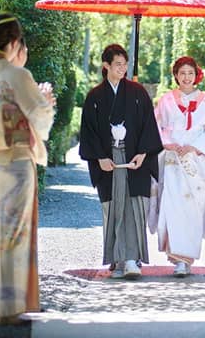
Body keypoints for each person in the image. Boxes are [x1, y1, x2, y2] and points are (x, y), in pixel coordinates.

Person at [0, 14, 55, 325]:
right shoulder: (14, 74)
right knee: (13, 237)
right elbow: (40, 118)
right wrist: (46, 101)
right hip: (14, 164)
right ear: (12, 43)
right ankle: (9, 312)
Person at [79, 44, 163, 279]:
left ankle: (132, 259)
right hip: (108, 161)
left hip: (134, 159)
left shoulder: (138, 92)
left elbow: (148, 125)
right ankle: (117, 258)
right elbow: (89, 132)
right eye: (118, 65)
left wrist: (144, 153)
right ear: (106, 66)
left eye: (125, 65)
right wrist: (99, 158)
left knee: (134, 208)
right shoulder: (95, 96)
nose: (123, 69)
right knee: (114, 208)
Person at [154, 56, 205, 276]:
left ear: (196, 75)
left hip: (195, 163)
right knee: (174, 207)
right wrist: (166, 143)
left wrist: (193, 147)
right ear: (176, 75)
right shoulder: (166, 100)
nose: (186, 77)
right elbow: (156, 126)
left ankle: (187, 259)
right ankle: (177, 258)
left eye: (190, 73)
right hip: (172, 161)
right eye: (182, 73)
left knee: (194, 209)